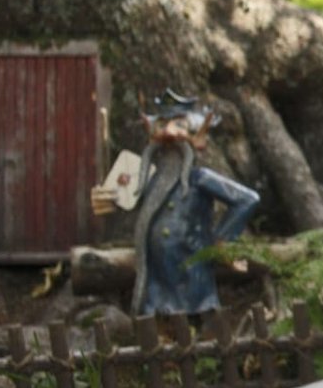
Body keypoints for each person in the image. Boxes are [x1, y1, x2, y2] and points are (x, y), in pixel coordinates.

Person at [90, 90, 260, 316]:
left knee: (195, 335)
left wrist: (221, 240)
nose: (169, 133)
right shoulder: (148, 179)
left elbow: (247, 200)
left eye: (179, 125)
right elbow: (123, 199)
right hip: (156, 281)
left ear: (197, 135)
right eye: (162, 125)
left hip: (190, 279)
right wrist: (107, 199)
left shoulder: (200, 179)